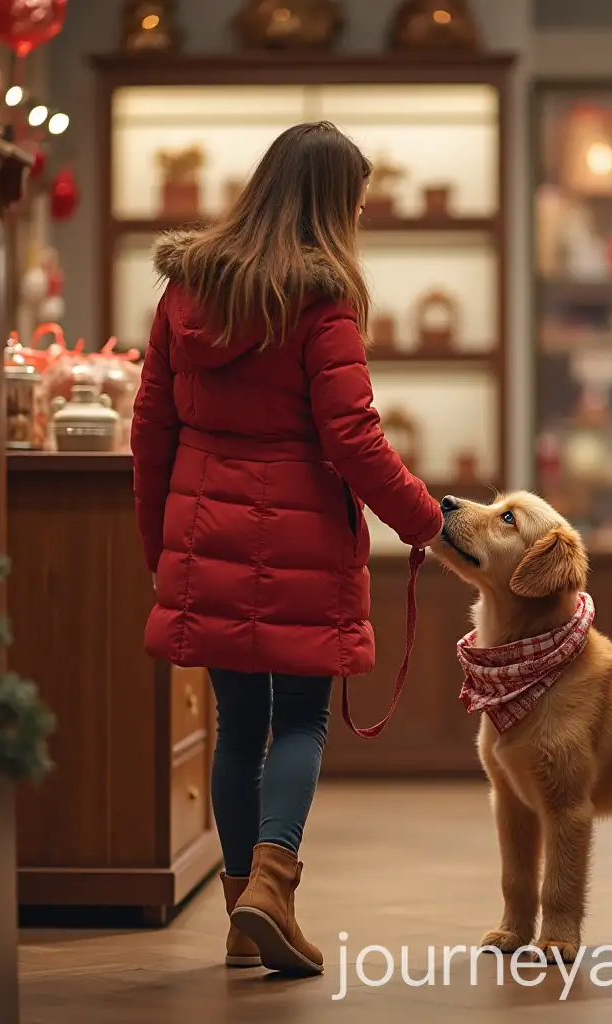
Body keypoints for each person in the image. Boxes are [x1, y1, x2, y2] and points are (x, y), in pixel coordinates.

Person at [130, 122, 443, 977]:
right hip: (302, 529)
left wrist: (160, 542)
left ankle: (241, 916)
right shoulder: (321, 301)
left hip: (204, 534)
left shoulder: (185, 291)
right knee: (301, 719)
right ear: (331, 205)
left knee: (239, 725)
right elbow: (354, 437)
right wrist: (427, 523)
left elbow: (151, 426)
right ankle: (272, 884)